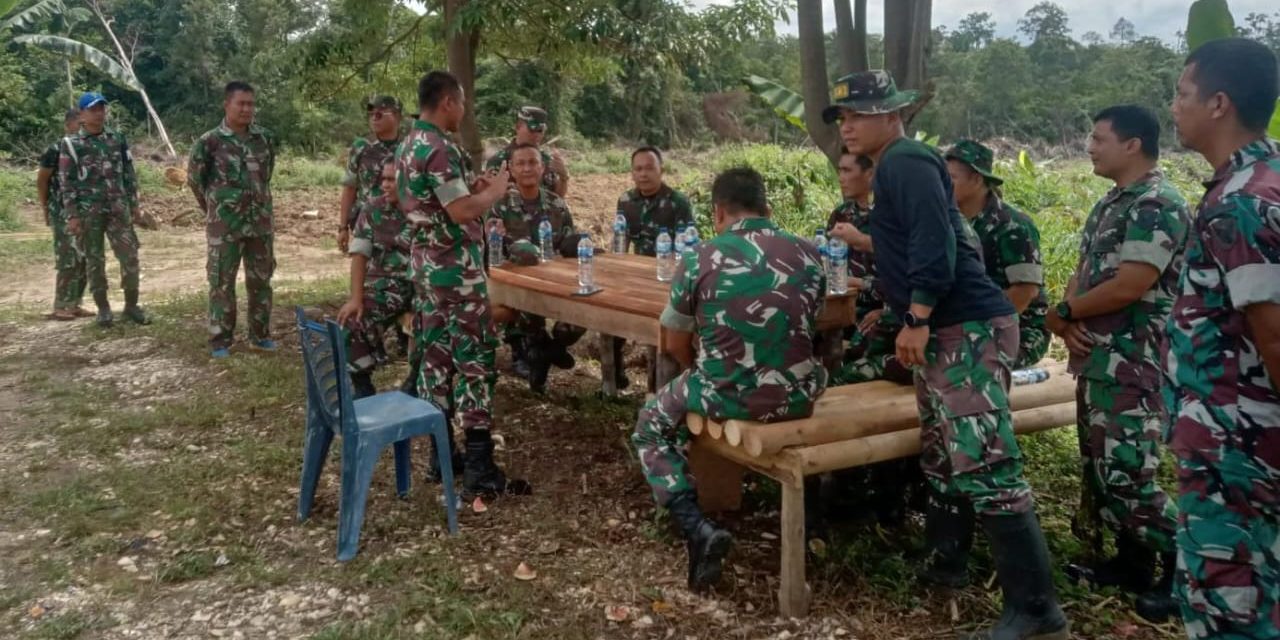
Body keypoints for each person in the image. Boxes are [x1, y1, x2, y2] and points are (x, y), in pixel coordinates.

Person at [827, 70, 1068, 639]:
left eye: (857, 114)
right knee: (943, 453)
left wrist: (917, 316)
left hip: (964, 329)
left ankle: (1037, 610)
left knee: (984, 462)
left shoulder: (906, 160)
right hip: (948, 330)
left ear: (891, 114)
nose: (848, 126)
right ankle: (946, 563)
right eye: (842, 117)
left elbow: (934, 243)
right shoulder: (896, 166)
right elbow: (909, 244)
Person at [631, 167, 826, 591]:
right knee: (824, 368)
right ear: (767, 208)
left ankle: (695, 525)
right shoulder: (810, 254)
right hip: (798, 396)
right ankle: (827, 511)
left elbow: (675, 341)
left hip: (725, 394)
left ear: (718, 212)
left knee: (650, 426)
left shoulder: (700, 257)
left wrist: (696, 374)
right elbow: (811, 328)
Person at [1046, 105, 1188, 618]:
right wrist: (1065, 320)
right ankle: (1132, 564)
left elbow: (1132, 284)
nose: (1089, 145)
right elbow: (1086, 272)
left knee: (1130, 476)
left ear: (1132, 145)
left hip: (1136, 363)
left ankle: (1186, 571)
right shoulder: (1111, 202)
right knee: (1103, 470)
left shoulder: (1157, 202)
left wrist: (1063, 312)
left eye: (1098, 137)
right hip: (1101, 359)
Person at [1166, 38, 1280, 637]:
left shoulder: (1241, 204)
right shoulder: (1272, 174)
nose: (1174, 106)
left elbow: (1276, 337)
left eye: (1183, 94)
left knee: (1230, 597)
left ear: (1218, 103)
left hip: (1237, 444)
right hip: (1242, 436)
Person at [397, 70, 528, 500]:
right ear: (449, 102)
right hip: (455, 272)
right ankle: (479, 466)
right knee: (474, 361)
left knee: (436, 359)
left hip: (428, 272)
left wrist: (471, 189)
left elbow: (432, 201)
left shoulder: (409, 144)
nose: (465, 110)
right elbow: (458, 213)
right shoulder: (438, 147)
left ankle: (441, 456)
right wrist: (495, 191)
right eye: (463, 101)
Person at [486, 143, 585, 394]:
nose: (527, 168)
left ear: (542, 168)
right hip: (516, 287)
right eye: (521, 163)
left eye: (533, 163)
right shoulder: (500, 205)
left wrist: (582, 244)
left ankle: (550, 349)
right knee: (522, 298)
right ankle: (535, 349)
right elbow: (496, 249)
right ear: (510, 169)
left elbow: (567, 240)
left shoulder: (556, 204)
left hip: (555, 281)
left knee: (585, 309)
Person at [188, 81, 277, 358]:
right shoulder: (209, 142)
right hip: (224, 226)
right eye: (241, 103)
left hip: (260, 224)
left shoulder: (264, 139)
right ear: (227, 105)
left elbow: (266, 175)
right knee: (221, 282)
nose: (247, 109)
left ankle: (259, 336)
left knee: (261, 281)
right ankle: (220, 340)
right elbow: (195, 181)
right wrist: (215, 209)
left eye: (251, 104)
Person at [946, 139, 1050, 370]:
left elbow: (1025, 292)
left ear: (976, 179)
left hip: (1017, 329)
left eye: (951, 179)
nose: (942, 185)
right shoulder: (951, 222)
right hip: (962, 324)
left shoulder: (1013, 226)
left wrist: (979, 332)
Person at [58, 92, 150, 328]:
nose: (99, 113)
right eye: (93, 109)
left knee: (130, 257)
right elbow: (66, 182)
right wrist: (73, 215)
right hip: (90, 213)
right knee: (94, 260)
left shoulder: (117, 139)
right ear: (82, 114)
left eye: (102, 108)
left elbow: (129, 174)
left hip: (119, 210)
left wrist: (135, 205)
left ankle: (131, 306)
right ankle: (104, 309)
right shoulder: (72, 144)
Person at [612, 146, 695, 390]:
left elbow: (686, 244)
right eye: (638, 169)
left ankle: (656, 389)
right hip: (636, 275)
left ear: (662, 170)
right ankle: (614, 377)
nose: (643, 174)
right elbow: (620, 240)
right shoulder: (626, 201)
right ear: (632, 173)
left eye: (649, 168)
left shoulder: (678, 202)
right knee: (612, 317)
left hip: (668, 277)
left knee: (659, 336)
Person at [336, 160, 415, 399]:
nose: (385, 185)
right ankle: (362, 384)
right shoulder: (373, 209)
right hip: (384, 284)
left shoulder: (425, 210)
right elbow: (359, 255)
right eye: (384, 179)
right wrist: (356, 298)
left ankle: (414, 382)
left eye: (392, 179)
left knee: (436, 325)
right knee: (353, 319)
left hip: (421, 285)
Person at [38, 108, 88, 321]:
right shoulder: (55, 150)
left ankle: (75, 303)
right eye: (78, 123)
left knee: (84, 257)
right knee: (68, 256)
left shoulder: (88, 147)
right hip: (62, 210)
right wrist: (45, 207)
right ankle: (61, 305)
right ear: (68, 125)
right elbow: (42, 180)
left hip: (85, 211)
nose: (81, 128)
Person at [337, 96, 404, 253]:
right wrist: (342, 228)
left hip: (399, 223)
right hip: (365, 222)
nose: (374, 118)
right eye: (371, 114)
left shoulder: (408, 147)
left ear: (396, 116)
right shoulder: (361, 147)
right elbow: (350, 188)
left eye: (380, 114)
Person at [484, 106, 568, 197]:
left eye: (540, 131)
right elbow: (490, 198)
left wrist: (563, 177)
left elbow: (557, 196)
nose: (536, 135)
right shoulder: (499, 161)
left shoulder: (546, 159)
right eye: (532, 130)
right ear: (518, 127)